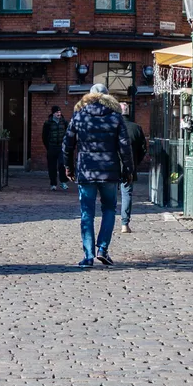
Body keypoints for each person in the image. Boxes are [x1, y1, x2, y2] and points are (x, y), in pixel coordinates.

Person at [63, 83, 133, 267]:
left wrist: (68, 167)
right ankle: (103, 248)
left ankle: (88, 256)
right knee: (109, 209)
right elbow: (125, 147)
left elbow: (67, 144)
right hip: (109, 171)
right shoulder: (116, 117)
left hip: (86, 171)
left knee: (86, 213)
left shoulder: (79, 116)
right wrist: (128, 170)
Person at [118, 101, 148, 234]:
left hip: (111, 166)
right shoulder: (136, 128)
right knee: (126, 193)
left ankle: (108, 220)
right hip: (129, 166)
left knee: (110, 194)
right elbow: (143, 149)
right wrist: (136, 161)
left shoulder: (112, 127)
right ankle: (125, 223)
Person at [41, 106, 68, 191]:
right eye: (57, 112)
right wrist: (48, 147)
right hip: (52, 147)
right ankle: (53, 184)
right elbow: (44, 136)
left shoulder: (64, 122)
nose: (59, 114)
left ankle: (63, 182)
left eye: (59, 112)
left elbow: (68, 134)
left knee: (62, 164)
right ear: (53, 113)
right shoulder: (48, 123)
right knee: (52, 166)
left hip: (61, 147)